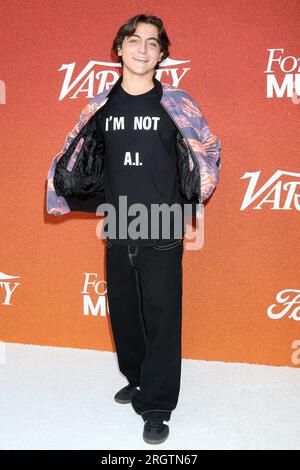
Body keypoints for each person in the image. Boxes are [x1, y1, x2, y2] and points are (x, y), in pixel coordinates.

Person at [46, 13, 222, 445]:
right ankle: (137, 376)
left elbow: (208, 149)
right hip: (119, 222)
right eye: (134, 40)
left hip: (162, 224)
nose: (142, 48)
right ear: (119, 48)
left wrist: (194, 189)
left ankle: (157, 404)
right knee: (125, 314)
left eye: (152, 43)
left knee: (161, 317)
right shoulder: (101, 106)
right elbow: (78, 156)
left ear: (161, 55)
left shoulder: (177, 104)